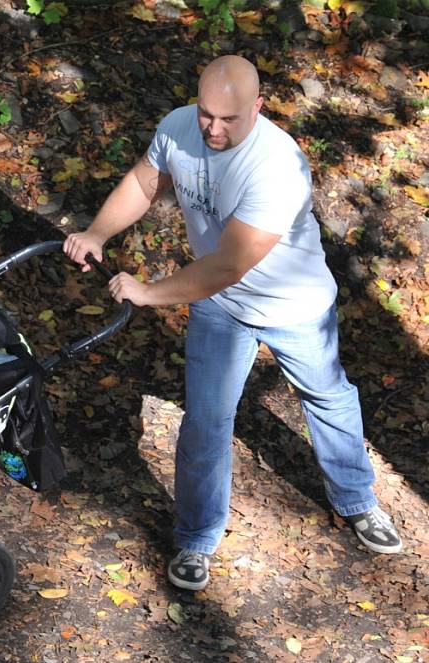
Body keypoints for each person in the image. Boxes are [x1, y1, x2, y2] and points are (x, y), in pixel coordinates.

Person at [63, 55, 402, 591]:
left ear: (258, 108)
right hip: (222, 309)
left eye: (229, 119)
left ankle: (357, 501)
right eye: (206, 115)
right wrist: (99, 233)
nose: (213, 130)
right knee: (207, 421)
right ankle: (197, 537)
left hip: (293, 305)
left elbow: (228, 264)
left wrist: (150, 293)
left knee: (328, 397)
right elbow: (143, 182)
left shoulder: (277, 165)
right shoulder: (179, 127)